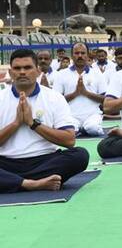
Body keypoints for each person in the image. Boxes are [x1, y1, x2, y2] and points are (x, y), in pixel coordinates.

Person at [0, 49, 89, 193]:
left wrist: (33, 124)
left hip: (44, 160)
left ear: (38, 71)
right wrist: (16, 123)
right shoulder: (1, 98)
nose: (22, 72)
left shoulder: (54, 97)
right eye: (17, 68)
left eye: (27, 67)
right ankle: (30, 184)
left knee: (80, 155)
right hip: (6, 161)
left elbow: (69, 140)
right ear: (10, 73)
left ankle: (11, 181)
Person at [52, 43, 107, 137]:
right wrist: (75, 93)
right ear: (72, 55)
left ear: (87, 55)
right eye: (77, 53)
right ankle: (79, 130)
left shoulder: (97, 74)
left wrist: (86, 93)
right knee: (70, 132)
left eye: (83, 53)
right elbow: (55, 101)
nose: (80, 56)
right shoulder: (61, 74)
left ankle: (85, 129)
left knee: (92, 128)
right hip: (70, 115)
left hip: (92, 115)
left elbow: (105, 99)